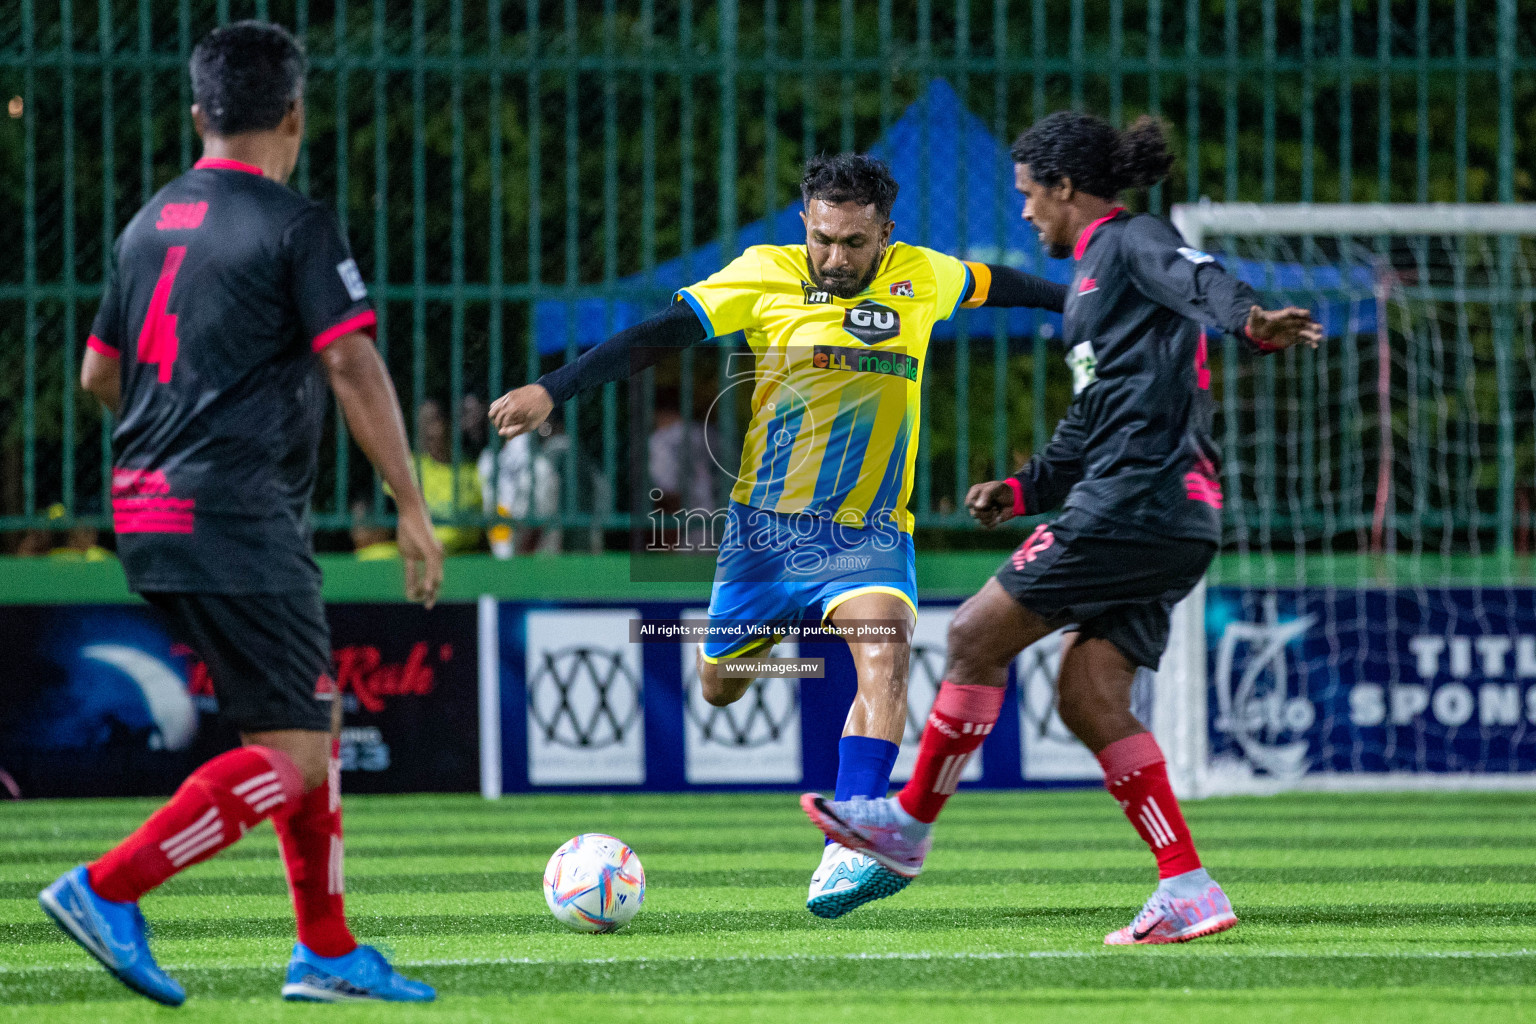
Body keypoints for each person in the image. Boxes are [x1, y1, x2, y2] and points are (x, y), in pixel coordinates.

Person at [491, 153, 1066, 918]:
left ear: (885, 233)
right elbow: (659, 333)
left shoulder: (924, 276)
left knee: (887, 652)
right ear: (805, 223)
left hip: (867, 533)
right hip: (764, 536)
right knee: (720, 687)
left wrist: (1087, 303)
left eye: (854, 243)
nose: (835, 258)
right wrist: (551, 389)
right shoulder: (763, 273)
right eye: (823, 238)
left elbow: (1012, 287)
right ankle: (768, 649)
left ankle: (851, 838)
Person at [801, 112, 1322, 944]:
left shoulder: (1128, 241)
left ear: (1065, 188)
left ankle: (904, 830)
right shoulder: (1089, 283)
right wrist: (1024, 484)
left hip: (1135, 502)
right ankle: (1188, 886)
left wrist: (1249, 321)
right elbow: (1093, 419)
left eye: (1028, 196)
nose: (1023, 213)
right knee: (1088, 696)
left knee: (974, 633)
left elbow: (1200, 275)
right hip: (1174, 518)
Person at [40, 22, 444, 1004]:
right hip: (236, 513)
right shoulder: (293, 223)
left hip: (147, 507)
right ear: (295, 115)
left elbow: (100, 372)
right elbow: (352, 360)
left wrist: (173, 436)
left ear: (198, 115)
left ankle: (330, 950)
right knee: (298, 756)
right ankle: (108, 887)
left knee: (307, 715)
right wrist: (412, 506)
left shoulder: (148, 224)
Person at [409, 398, 484, 554]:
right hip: (420, 555)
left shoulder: (474, 470)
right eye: (422, 423)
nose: (426, 430)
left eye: (432, 421)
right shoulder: (410, 468)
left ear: (449, 424)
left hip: (467, 557)